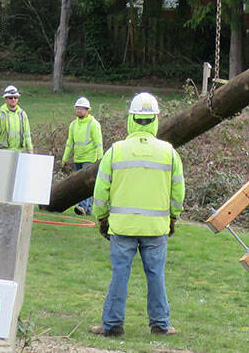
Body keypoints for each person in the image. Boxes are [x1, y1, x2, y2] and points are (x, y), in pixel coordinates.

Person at [90, 92, 184, 338]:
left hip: (122, 227)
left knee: (120, 274)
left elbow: (100, 192)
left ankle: (112, 325)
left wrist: (101, 218)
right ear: (155, 119)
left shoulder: (116, 151)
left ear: (131, 118)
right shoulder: (168, 152)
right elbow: (178, 193)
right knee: (156, 276)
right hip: (156, 228)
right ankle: (160, 325)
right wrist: (173, 218)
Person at [62, 96, 103, 216]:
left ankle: (82, 206)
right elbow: (70, 143)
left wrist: (100, 159)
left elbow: (98, 142)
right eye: (78, 108)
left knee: (85, 184)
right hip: (78, 159)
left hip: (90, 159)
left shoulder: (93, 124)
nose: (79, 110)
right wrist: (65, 158)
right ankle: (88, 209)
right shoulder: (73, 125)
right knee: (81, 185)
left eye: (82, 108)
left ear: (87, 110)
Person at [0, 85, 33, 152]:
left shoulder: (22, 114)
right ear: (6, 99)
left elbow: (27, 135)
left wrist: (30, 150)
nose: (13, 99)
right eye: (10, 98)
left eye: (15, 97)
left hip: (20, 152)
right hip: (4, 152)